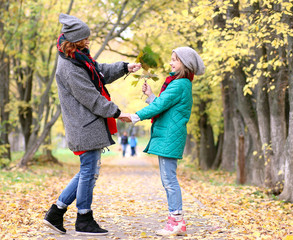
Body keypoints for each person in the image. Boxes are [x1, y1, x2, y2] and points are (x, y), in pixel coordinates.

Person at [43, 13, 141, 236]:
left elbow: (100, 72)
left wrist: (125, 67)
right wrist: (118, 112)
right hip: (84, 125)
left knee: (87, 171)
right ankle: (84, 219)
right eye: (85, 39)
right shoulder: (68, 68)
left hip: (88, 125)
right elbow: (91, 98)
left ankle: (56, 212)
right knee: (89, 171)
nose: (89, 41)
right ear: (74, 40)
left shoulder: (78, 58)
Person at [121, 47, 205, 236]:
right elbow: (164, 105)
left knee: (169, 180)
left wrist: (135, 116)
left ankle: (176, 222)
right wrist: (150, 96)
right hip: (169, 135)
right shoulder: (180, 84)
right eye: (171, 59)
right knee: (168, 180)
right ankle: (176, 221)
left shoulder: (179, 84)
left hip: (170, 136)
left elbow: (160, 106)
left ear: (185, 64)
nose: (171, 63)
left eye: (175, 60)